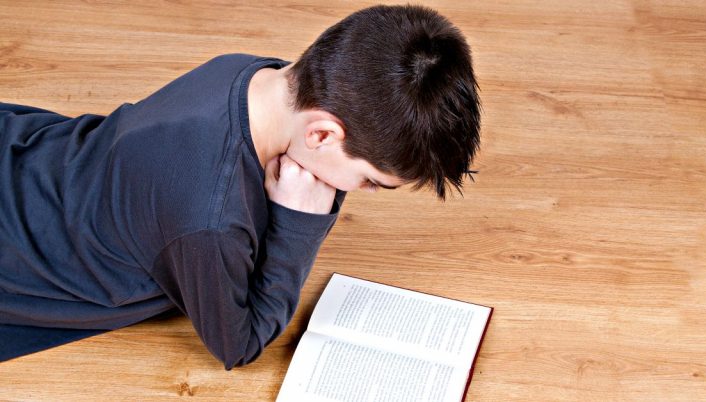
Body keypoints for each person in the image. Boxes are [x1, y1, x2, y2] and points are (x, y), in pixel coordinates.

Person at [0, 4, 481, 369]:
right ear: (320, 134)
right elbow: (236, 344)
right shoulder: (210, 220)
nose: (362, 192)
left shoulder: (255, 76)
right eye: (370, 181)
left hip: (41, 161)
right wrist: (300, 225)